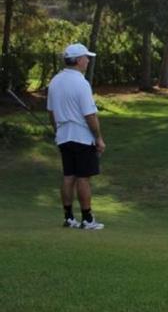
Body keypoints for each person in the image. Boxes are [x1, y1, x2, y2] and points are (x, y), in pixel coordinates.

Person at [47, 43, 106, 230]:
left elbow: (51, 112)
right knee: (83, 177)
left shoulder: (55, 81)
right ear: (79, 60)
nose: (88, 61)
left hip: (63, 136)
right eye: (86, 57)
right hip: (81, 136)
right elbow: (90, 115)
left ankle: (68, 217)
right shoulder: (81, 83)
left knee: (68, 176)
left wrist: (57, 130)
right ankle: (87, 219)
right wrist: (98, 138)